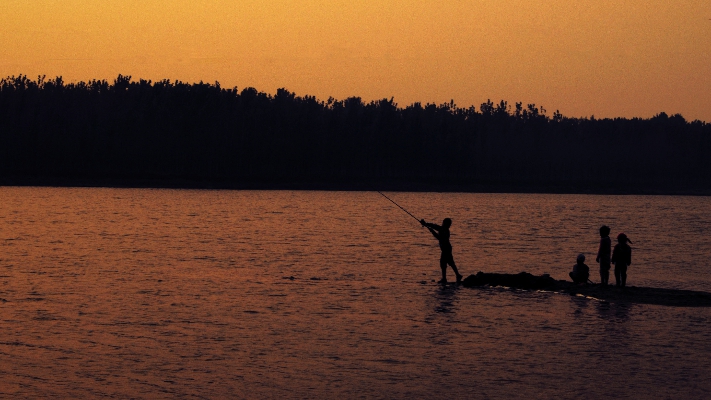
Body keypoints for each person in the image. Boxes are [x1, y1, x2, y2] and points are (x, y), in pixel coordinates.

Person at [421, 218, 463, 284]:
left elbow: (438, 237)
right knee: (449, 262)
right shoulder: (443, 229)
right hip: (446, 249)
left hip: (446, 249)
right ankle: (457, 275)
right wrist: (426, 224)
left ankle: (446, 278)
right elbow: (434, 226)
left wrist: (431, 230)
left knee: (444, 263)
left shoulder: (445, 230)